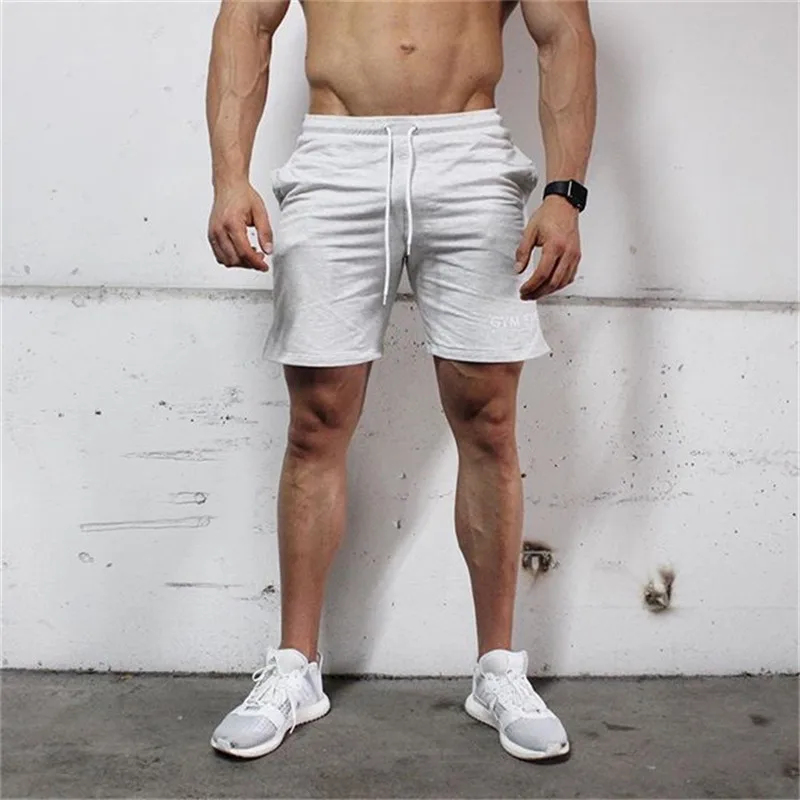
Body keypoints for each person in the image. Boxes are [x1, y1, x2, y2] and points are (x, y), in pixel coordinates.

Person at [205, 0, 596, 762]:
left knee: (489, 419)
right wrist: (228, 176)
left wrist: (565, 192)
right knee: (316, 419)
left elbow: (564, 33)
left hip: (470, 155)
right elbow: (246, 19)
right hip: (336, 155)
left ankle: (498, 671)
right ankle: (295, 668)